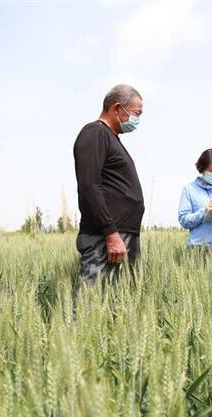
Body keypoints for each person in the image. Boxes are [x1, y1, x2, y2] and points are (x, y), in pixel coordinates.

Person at [73, 84, 145, 283]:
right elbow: (89, 186)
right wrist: (111, 233)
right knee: (92, 303)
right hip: (105, 238)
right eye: (136, 114)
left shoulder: (112, 138)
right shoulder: (95, 133)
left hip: (120, 235)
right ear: (117, 109)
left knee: (117, 304)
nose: (138, 120)